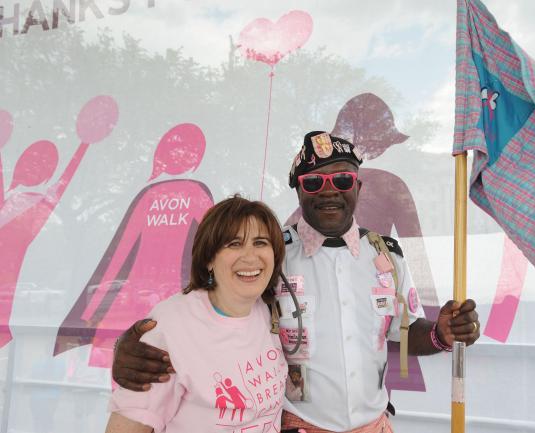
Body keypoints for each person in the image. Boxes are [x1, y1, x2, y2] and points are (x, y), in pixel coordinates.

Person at [112, 132, 481, 433]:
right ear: (299, 191)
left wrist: (441, 334)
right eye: (313, 182)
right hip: (298, 426)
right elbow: (209, 313)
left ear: (358, 186)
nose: (329, 190)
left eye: (341, 179)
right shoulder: (270, 256)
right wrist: (133, 349)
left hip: (375, 425)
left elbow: (402, 333)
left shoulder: (387, 255)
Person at [105, 196, 288, 433]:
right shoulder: (171, 324)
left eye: (260, 242)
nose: (250, 256)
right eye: (234, 243)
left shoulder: (267, 308)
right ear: (209, 258)